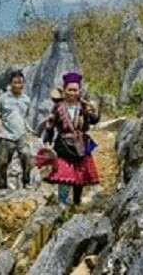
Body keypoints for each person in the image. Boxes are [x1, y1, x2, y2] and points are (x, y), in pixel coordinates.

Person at [41, 71, 100, 205]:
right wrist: (47, 141)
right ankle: (62, 203)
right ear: (64, 90)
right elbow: (50, 125)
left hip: (81, 145)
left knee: (80, 176)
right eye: (70, 90)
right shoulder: (58, 107)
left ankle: (76, 202)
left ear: (79, 90)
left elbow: (94, 120)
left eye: (75, 90)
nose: (73, 93)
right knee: (64, 176)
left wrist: (94, 110)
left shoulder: (84, 106)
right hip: (63, 145)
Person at [0, 70, 32, 189]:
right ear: (10, 83)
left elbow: (26, 116)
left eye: (20, 82)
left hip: (21, 135)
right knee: (3, 162)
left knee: (26, 156)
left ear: (24, 84)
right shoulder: (2, 99)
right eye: (15, 82)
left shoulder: (26, 100)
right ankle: (2, 186)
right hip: (6, 136)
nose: (18, 85)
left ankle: (26, 181)